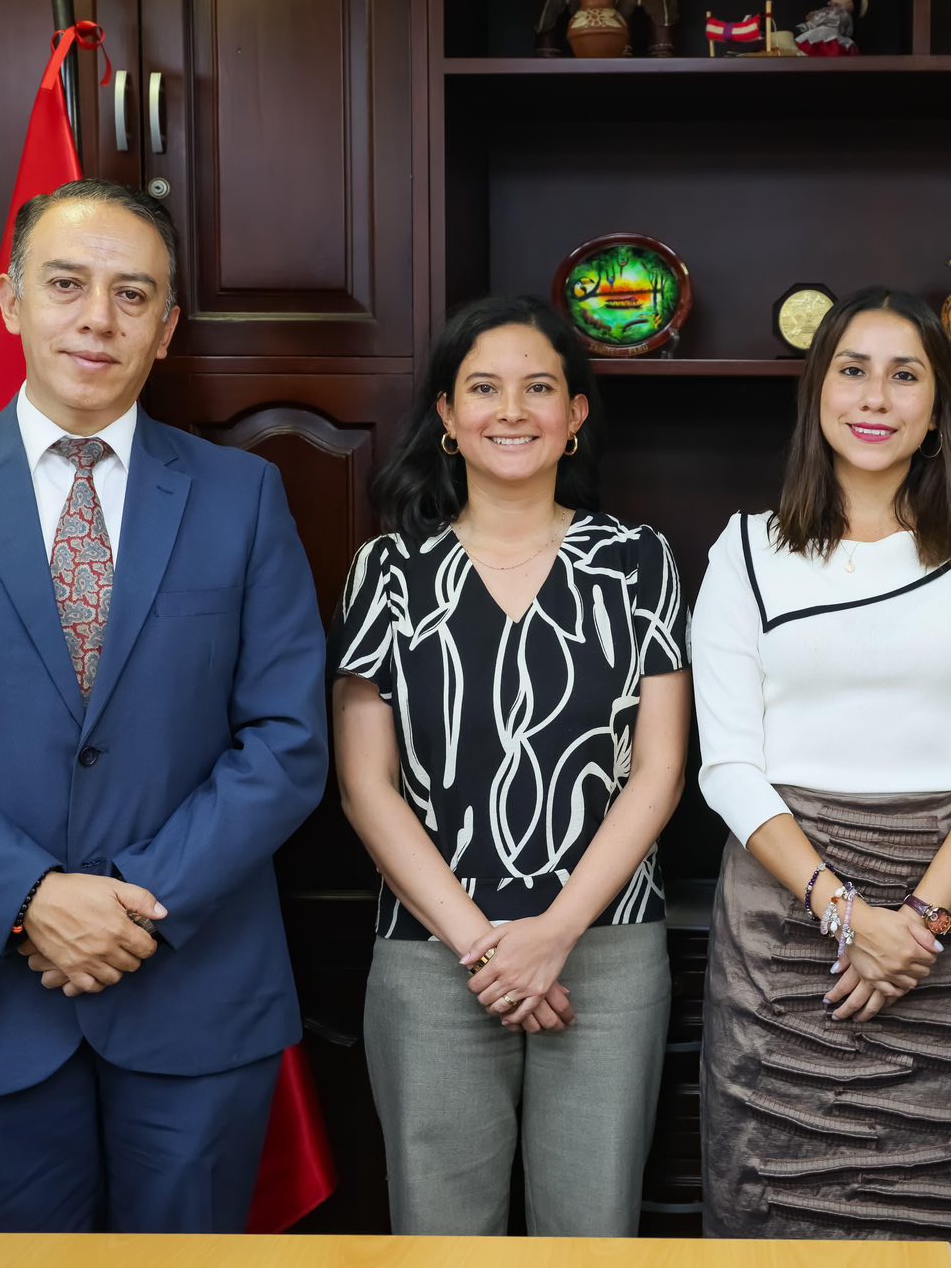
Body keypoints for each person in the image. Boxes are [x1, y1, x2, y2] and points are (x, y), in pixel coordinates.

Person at [0, 179, 328, 1232]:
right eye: (66, 284)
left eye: (131, 293)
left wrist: (135, 902)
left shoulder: (242, 498)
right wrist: (30, 898)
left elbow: (284, 743)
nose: (97, 318)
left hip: (193, 991)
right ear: (10, 300)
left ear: (166, 325)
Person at [691, 285, 951, 1240]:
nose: (876, 398)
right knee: (783, 1211)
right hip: (791, 925)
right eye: (853, 371)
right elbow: (726, 765)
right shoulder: (746, 549)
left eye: (905, 376)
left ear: (938, 406)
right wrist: (847, 914)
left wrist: (918, 922)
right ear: (818, 390)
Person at [329, 296, 689, 1236]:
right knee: (441, 1237)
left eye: (540, 388)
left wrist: (552, 934)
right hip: (432, 952)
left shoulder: (638, 561)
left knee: (593, 1232)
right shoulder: (389, 570)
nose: (512, 410)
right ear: (447, 417)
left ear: (576, 416)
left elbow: (659, 773)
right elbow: (367, 786)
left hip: (603, 950)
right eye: (483, 389)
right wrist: (488, 948)